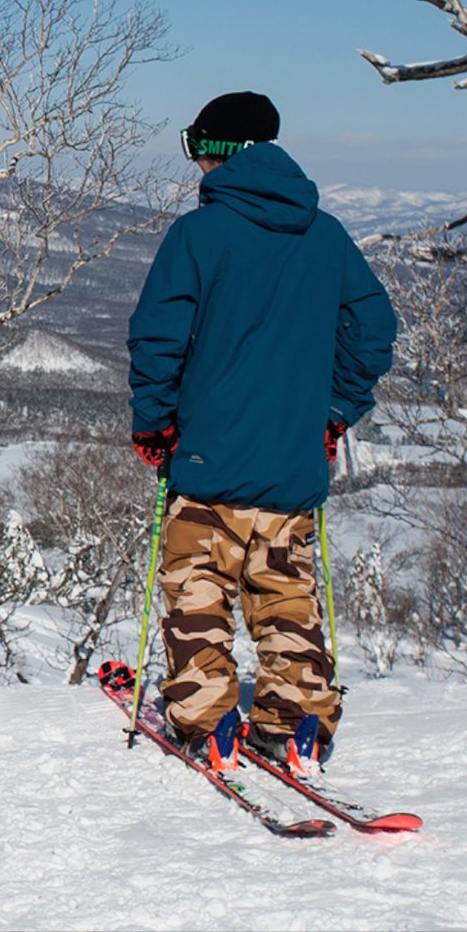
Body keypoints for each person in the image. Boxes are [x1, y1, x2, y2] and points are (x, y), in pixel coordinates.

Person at [126, 92, 396, 777]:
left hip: (208, 456)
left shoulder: (199, 235)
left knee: (198, 591)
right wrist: (334, 412)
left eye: (199, 148)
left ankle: (208, 719)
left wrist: (155, 424)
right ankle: (296, 720)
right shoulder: (326, 235)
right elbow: (373, 332)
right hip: (290, 460)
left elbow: (158, 338)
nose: (197, 165)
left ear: (220, 152)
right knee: (285, 594)